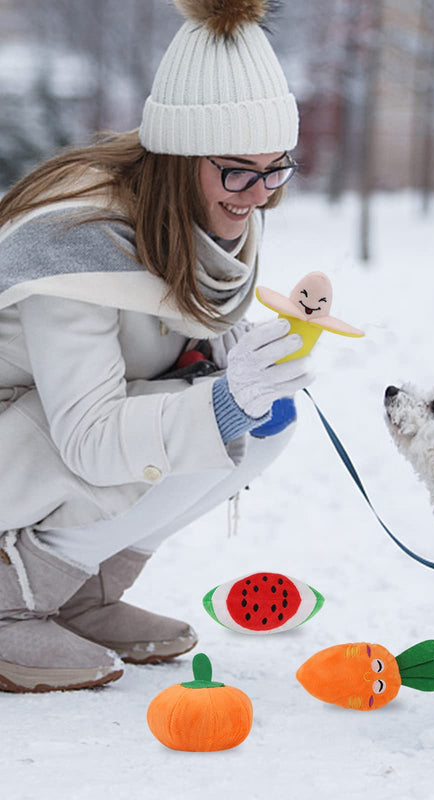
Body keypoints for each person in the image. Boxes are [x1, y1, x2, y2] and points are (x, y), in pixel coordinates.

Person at [0, 0, 313, 692]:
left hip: (38, 442)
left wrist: (252, 372)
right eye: (239, 172)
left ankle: (79, 590)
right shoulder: (75, 243)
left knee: (268, 422)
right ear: (176, 159)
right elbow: (87, 436)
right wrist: (223, 401)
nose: (259, 197)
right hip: (17, 440)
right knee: (197, 422)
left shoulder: (208, 209)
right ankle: (11, 597)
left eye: (277, 170)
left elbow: (183, 344)